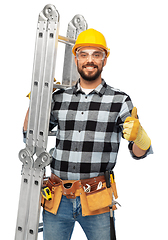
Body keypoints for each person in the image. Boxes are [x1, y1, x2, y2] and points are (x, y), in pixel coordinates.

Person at [23, 28, 152, 240]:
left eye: (96, 55)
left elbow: (139, 153)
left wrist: (140, 138)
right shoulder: (59, 98)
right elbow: (30, 136)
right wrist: (36, 102)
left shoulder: (119, 100)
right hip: (56, 199)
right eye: (84, 54)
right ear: (76, 58)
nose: (89, 60)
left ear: (105, 59)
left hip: (97, 200)